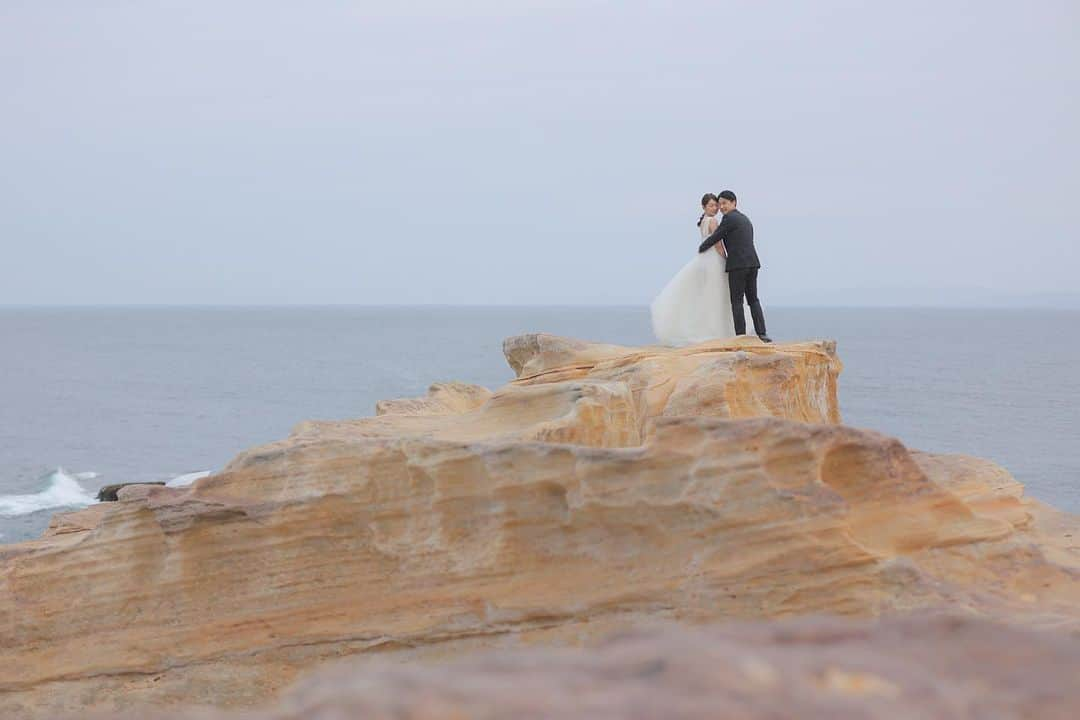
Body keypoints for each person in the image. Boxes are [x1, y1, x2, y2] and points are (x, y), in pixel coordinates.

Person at [650, 194, 736, 345]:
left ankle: (704, 329)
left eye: (716, 205)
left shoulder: (703, 221)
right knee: (717, 295)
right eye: (711, 205)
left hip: (703, 260)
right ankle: (717, 331)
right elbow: (718, 244)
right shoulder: (713, 221)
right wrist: (726, 259)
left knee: (705, 295)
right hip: (714, 260)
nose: (715, 208)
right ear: (704, 207)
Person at [698, 190, 771, 342]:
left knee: (737, 302)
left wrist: (702, 248)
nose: (722, 207)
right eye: (720, 204)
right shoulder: (745, 218)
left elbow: (716, 236)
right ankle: (762, 334)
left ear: (734, 202)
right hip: (752, 263)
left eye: (725, 203)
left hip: (738, 265)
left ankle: (741, 337)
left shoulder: (729, 219)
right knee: (753, 299)